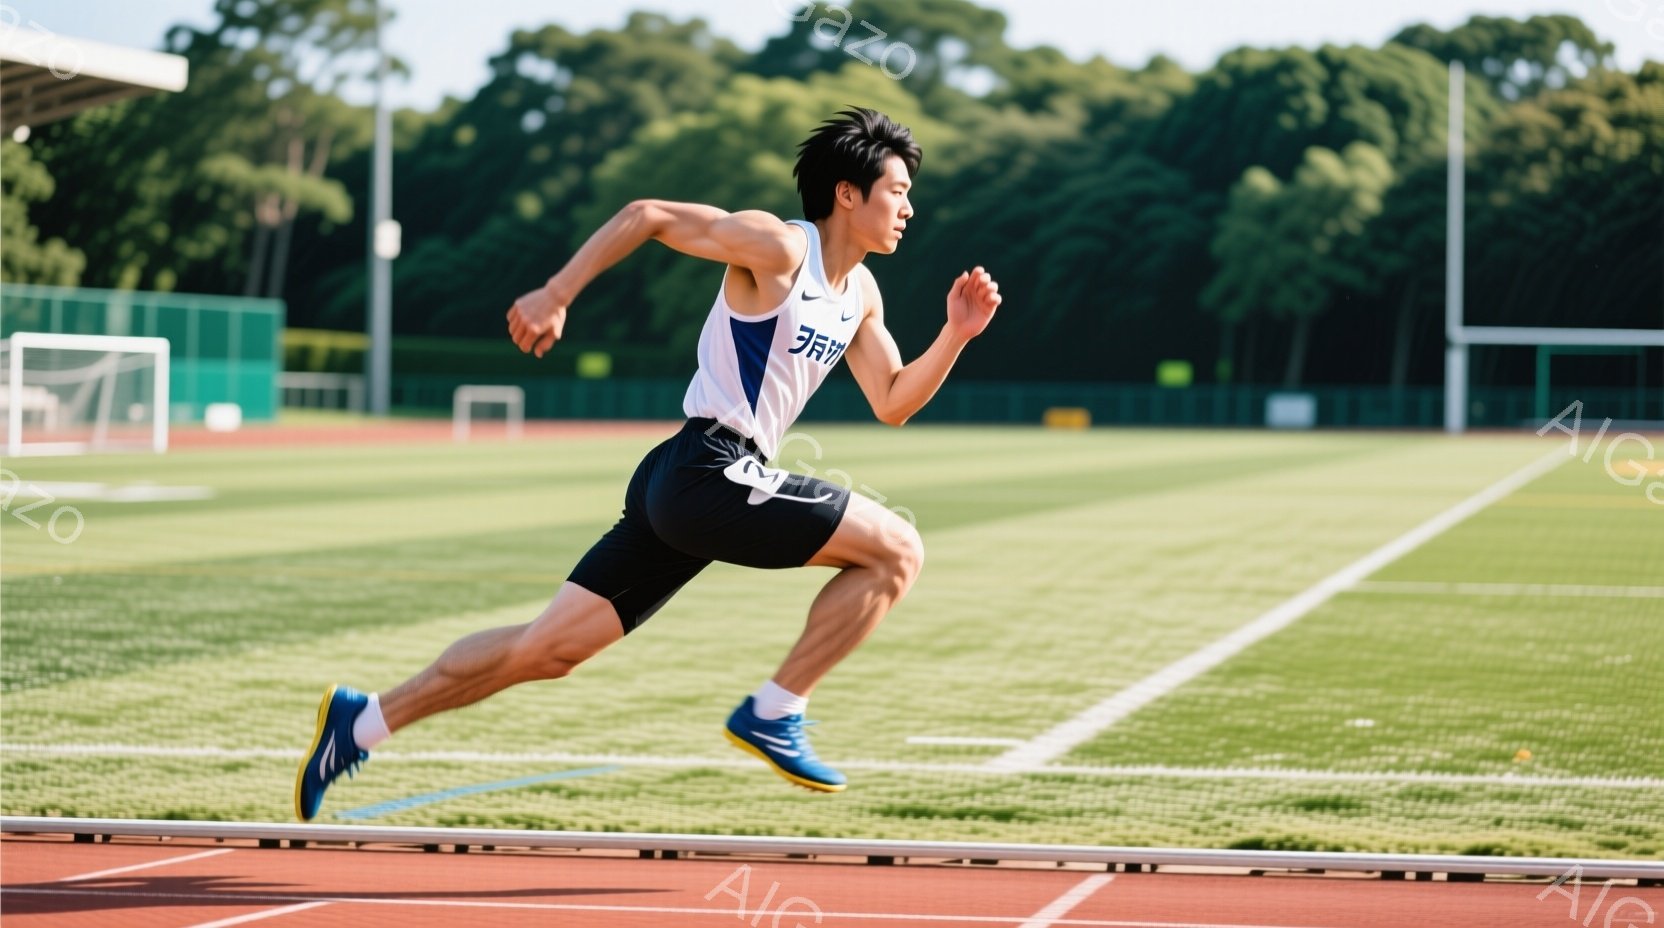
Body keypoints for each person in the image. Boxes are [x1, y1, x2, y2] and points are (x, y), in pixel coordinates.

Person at [295, 107, 1002, 820]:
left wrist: (957, 334)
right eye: (898, 190)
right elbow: (650, 213)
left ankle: (360, 724)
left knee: (547, 649)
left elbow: (892, 399)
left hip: (692, 483)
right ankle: (775, 710)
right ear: (848, 193)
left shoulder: (862, 296)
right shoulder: (781, 248)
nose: (908, 208)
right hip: (708, 468)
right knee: (898, 551)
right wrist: (556, 292)